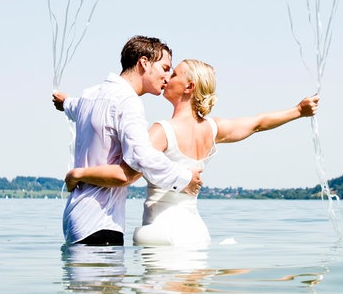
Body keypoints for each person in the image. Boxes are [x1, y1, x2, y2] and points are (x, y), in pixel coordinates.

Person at [65, 59, 319, 247]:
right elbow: (257, 123)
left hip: (161, 233)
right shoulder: (212, 129)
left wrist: (81, 174)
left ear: (189, 86)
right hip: (195, 230)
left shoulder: (161, 131)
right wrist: (298, 110)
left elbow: (128, 174)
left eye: (173, 74)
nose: (167, 78)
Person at [53, 36, 203, 246]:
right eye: (165, 67)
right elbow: (141, 158)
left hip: (75, 217)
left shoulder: (89, 95)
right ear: (144, 63)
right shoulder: (128, 101)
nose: (167, 77)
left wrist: (64, 102)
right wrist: (185, 178)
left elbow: (73, 105)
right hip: (101, 223)